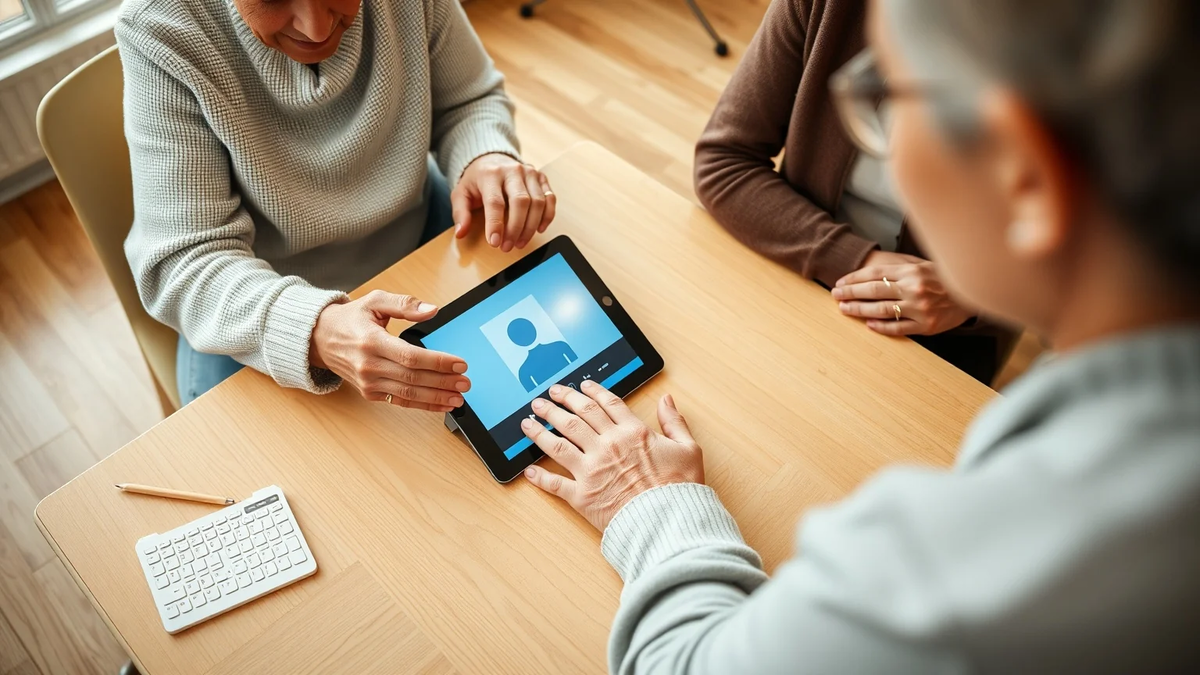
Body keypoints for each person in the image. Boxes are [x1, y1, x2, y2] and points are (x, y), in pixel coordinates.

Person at [519, 0, 1200, 671]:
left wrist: (654, 507)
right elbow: (723, 161)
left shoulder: (957, 562)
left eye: (890, 98)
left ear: (1025, 174)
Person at [117, 0, 557, 407]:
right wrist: (312, 328)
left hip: (423, 236)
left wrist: (485, 155)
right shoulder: (160, 27)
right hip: (257, 308)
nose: (317, 27)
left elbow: (468, 100)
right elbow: (185, 261)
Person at [694, 0, 1017, 384]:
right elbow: (723, 161)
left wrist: (970, 295)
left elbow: (1090, 261)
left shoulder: (1073, 45)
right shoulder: (830, 8)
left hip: (954, 333)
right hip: (793, 264)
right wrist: (857, 262)